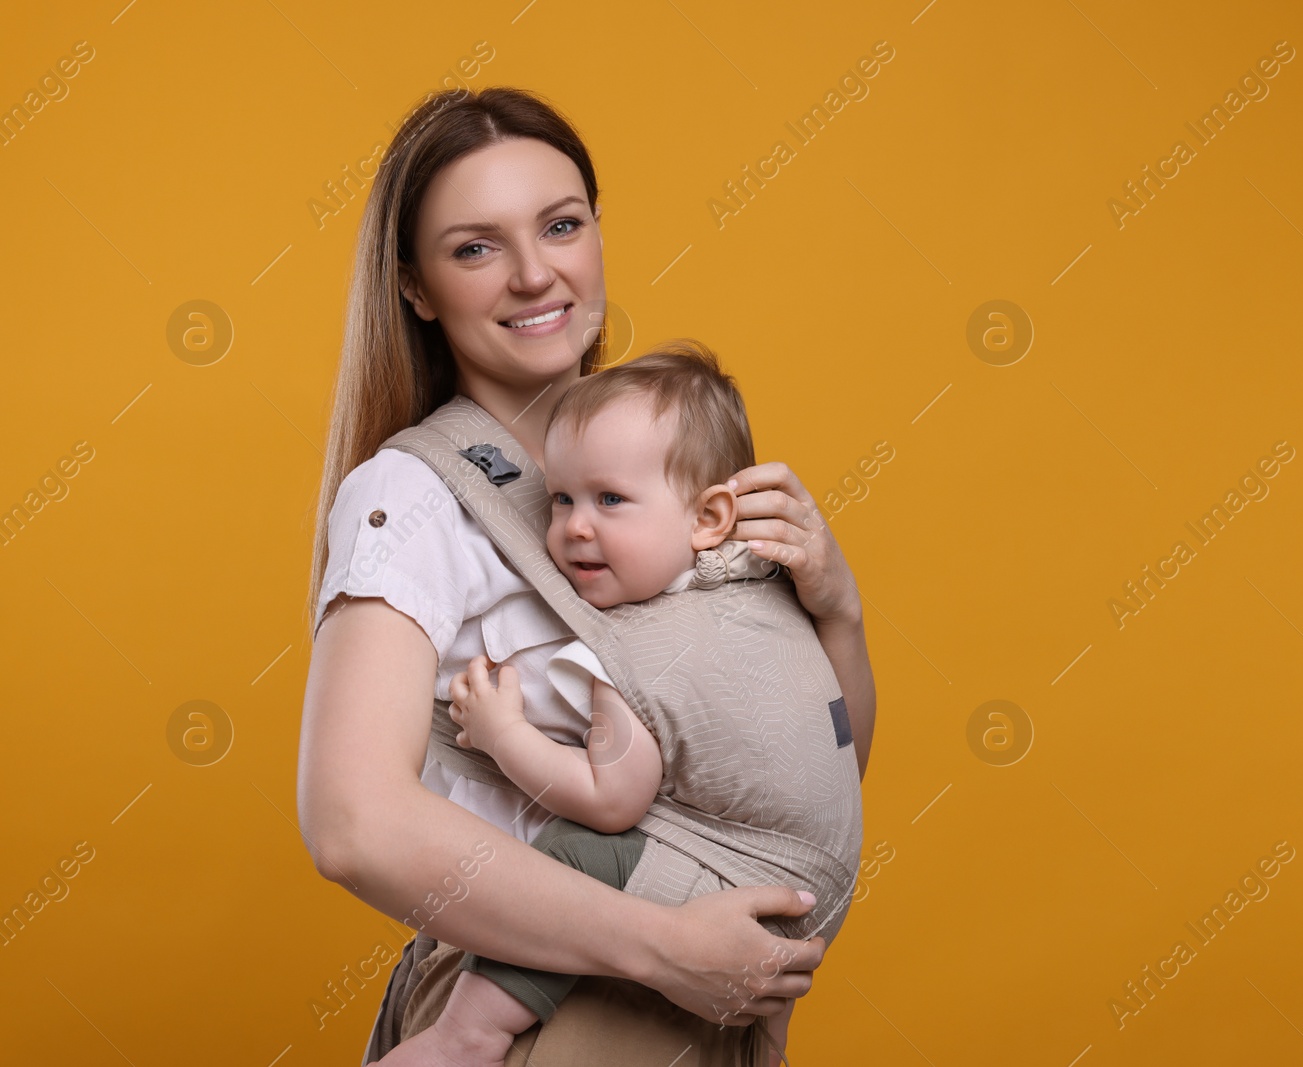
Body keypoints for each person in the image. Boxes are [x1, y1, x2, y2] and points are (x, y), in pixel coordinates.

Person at [297, 85, 876, 1065]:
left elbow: (808, 772)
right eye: (475, 247)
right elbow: (352, 822)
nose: (533, 274)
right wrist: (665, 946)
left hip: (706, 989)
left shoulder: (661, 464)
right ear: (416, 287)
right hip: (547, 998)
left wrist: (838, 613)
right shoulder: (415, 496)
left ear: (597, 233)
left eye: (560, 226)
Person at [375, 343, 863, 1067]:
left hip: (741, 880)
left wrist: (504, 732)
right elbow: (838, 741)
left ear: (709, 517)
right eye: (563, 498)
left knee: (578, 854)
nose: (574, 526)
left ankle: (463, 1037)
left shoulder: (636, 646)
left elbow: (612, 799)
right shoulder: (762, 588)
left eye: (610, 500)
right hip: (807, 890)